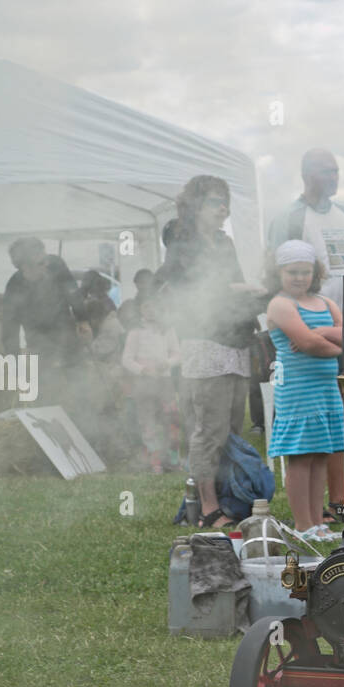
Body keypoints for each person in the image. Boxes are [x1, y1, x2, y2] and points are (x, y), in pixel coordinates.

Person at [156, 174, 260, 528]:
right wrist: (236, 287)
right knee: (208, 430)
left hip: (234, 339)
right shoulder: (181, 243)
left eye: (225, 201)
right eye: (215, 201)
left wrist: (250, 297)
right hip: (202, 342)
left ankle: (228, 497)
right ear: (196, 206)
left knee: (232, 428)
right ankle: (206, 506)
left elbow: (234, 285)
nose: (223, 208)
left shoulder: (224, 242)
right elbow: (183, 288)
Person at [266, 241, 344, 542]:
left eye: (305, 272)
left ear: (315, 272)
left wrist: (321, 333)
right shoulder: (280, 304)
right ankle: (302, 525)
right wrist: (327, 342)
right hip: (297, 389)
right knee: (301, 456)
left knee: (321, 454)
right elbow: (309, 345)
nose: (299, 278)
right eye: (292, 272)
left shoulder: (327, 303)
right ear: (280, 273)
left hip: (325, 388)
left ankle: (317, 523)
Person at [266, 149, 344, 312]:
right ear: (306, 176)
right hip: (309, 317)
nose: (333, 178)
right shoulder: (289, 218)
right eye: (326, 172)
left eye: (335, 171)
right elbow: (274, 274)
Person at [2, 238, 91, 395]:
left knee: (78, 382)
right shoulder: (14, 288)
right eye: (41, 262)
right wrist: (16, 364)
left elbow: (72, 290)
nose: (47, 264)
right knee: (48, 387)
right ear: (25, 266)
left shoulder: (56, 264)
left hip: (67, 332)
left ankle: (81, 412)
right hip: (38, 342)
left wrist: (82, 319)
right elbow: (9, 331)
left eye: (46, 259)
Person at [121, 287, 180, 473]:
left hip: (164, 382)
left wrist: (168, 363)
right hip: (144, 384)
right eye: (147, 307)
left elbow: (177, 353)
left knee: (170, 419)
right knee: (148, 421)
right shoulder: (136, 332)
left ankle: (173, 459)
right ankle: (154, 460)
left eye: (154, 307)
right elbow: (126, 359)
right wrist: (142, 369)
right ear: (141, 309)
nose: (151, 311)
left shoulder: (168, 329)